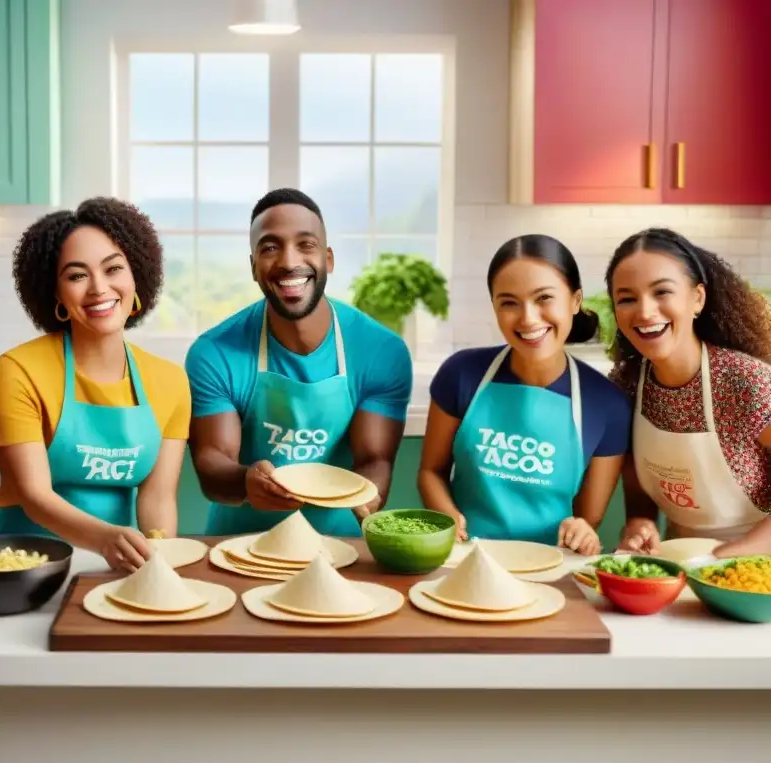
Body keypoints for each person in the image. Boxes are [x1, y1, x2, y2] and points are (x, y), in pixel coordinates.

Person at [0, 197, 189, 572]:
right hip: (17, 566)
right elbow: (34, 496)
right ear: (55, 293)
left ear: (136, 275)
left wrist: (160, 567)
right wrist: (106, 541)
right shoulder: (18, 371)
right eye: (77, 275)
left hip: (116, 565)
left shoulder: (169, 381)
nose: (99, 288)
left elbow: (157, 500)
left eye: (113, 269)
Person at [184, 188, 413, 537]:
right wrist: (247, 482)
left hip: (340, 547)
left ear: (329, 259)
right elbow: (212, 463)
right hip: (238, 546)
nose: (290, 261)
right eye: (270, 247)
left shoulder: (381, 351)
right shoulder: (214, 352)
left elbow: (375, 459)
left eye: (306, 244)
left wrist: (369, 497)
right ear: (253, 267)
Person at [417, 235, 632, 555]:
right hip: (465, 557)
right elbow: (430, 472)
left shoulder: (608, 405)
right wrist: (448, 517)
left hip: (551, 568)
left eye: (544, 298)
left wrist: (583, 532)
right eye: (509, 302)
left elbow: (585, 520)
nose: (528, 318)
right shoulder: (461, 374)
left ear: (575, 300)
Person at [606, 228, 771, 558]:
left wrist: (720, 559)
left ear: (697, 298)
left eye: (661, 292)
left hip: (757, 569)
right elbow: (637, 488)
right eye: (627, 299)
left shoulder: (745, 382)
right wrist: (639, 525)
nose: (645, 312)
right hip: (679, 563)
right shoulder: (627, 384)